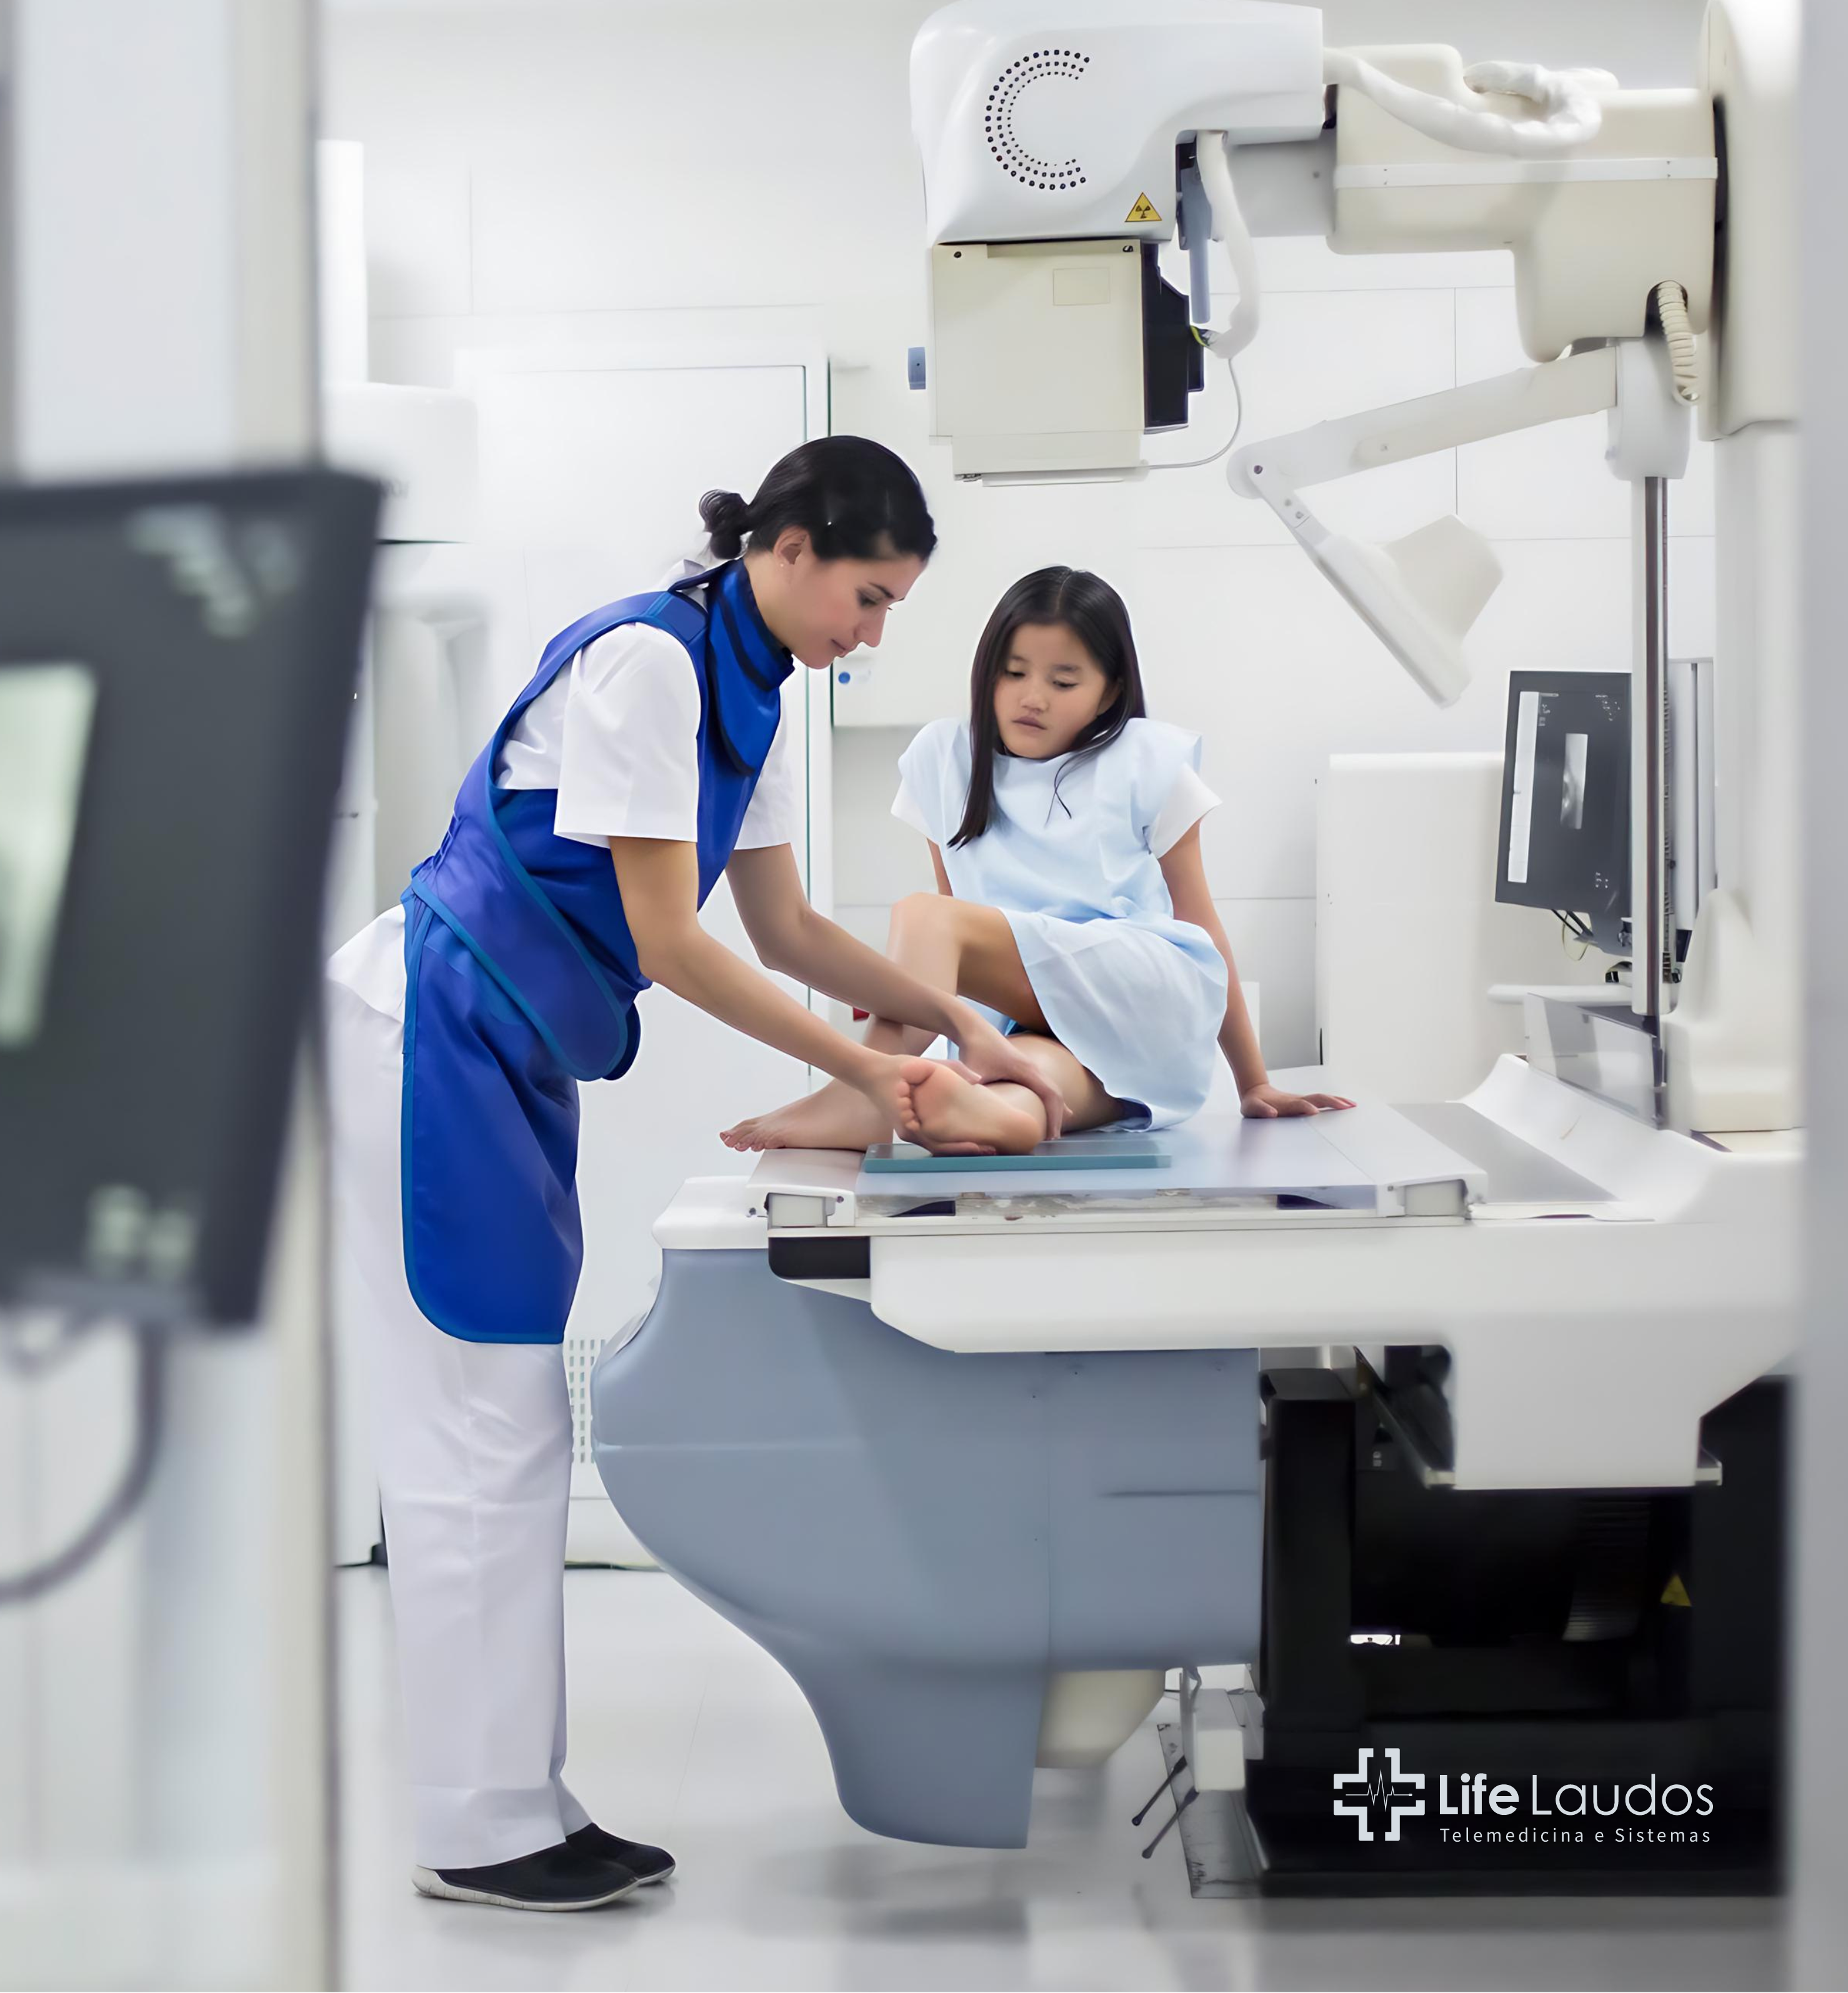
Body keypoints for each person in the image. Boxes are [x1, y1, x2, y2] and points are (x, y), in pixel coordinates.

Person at [322, 438, 1067, 1912]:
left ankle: (512, 1804)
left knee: (505, 1422)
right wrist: (868, 1076)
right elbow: (671, 943)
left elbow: (784, 929)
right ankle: (479, 1824)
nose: (872, 632)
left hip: (507, 1045)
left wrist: (963, 1018)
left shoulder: (752, 691)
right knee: (479, 1424)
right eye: (865, 594)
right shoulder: (649, 666)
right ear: (783, 547)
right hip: (430, 1024)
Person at [722, 565, 1351, 1156]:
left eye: (1062, 682)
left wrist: (1253, 1082)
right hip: (1039, 1021)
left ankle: (864, 1095)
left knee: (926, 916)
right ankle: (990, 1117)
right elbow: (952, 963)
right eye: (1013, 672)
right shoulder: (944, 761)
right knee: (1021, 1092)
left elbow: (1200, 930)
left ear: (1108, 694)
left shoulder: (1145, 759)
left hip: (1140, 992)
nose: (1032, 698)